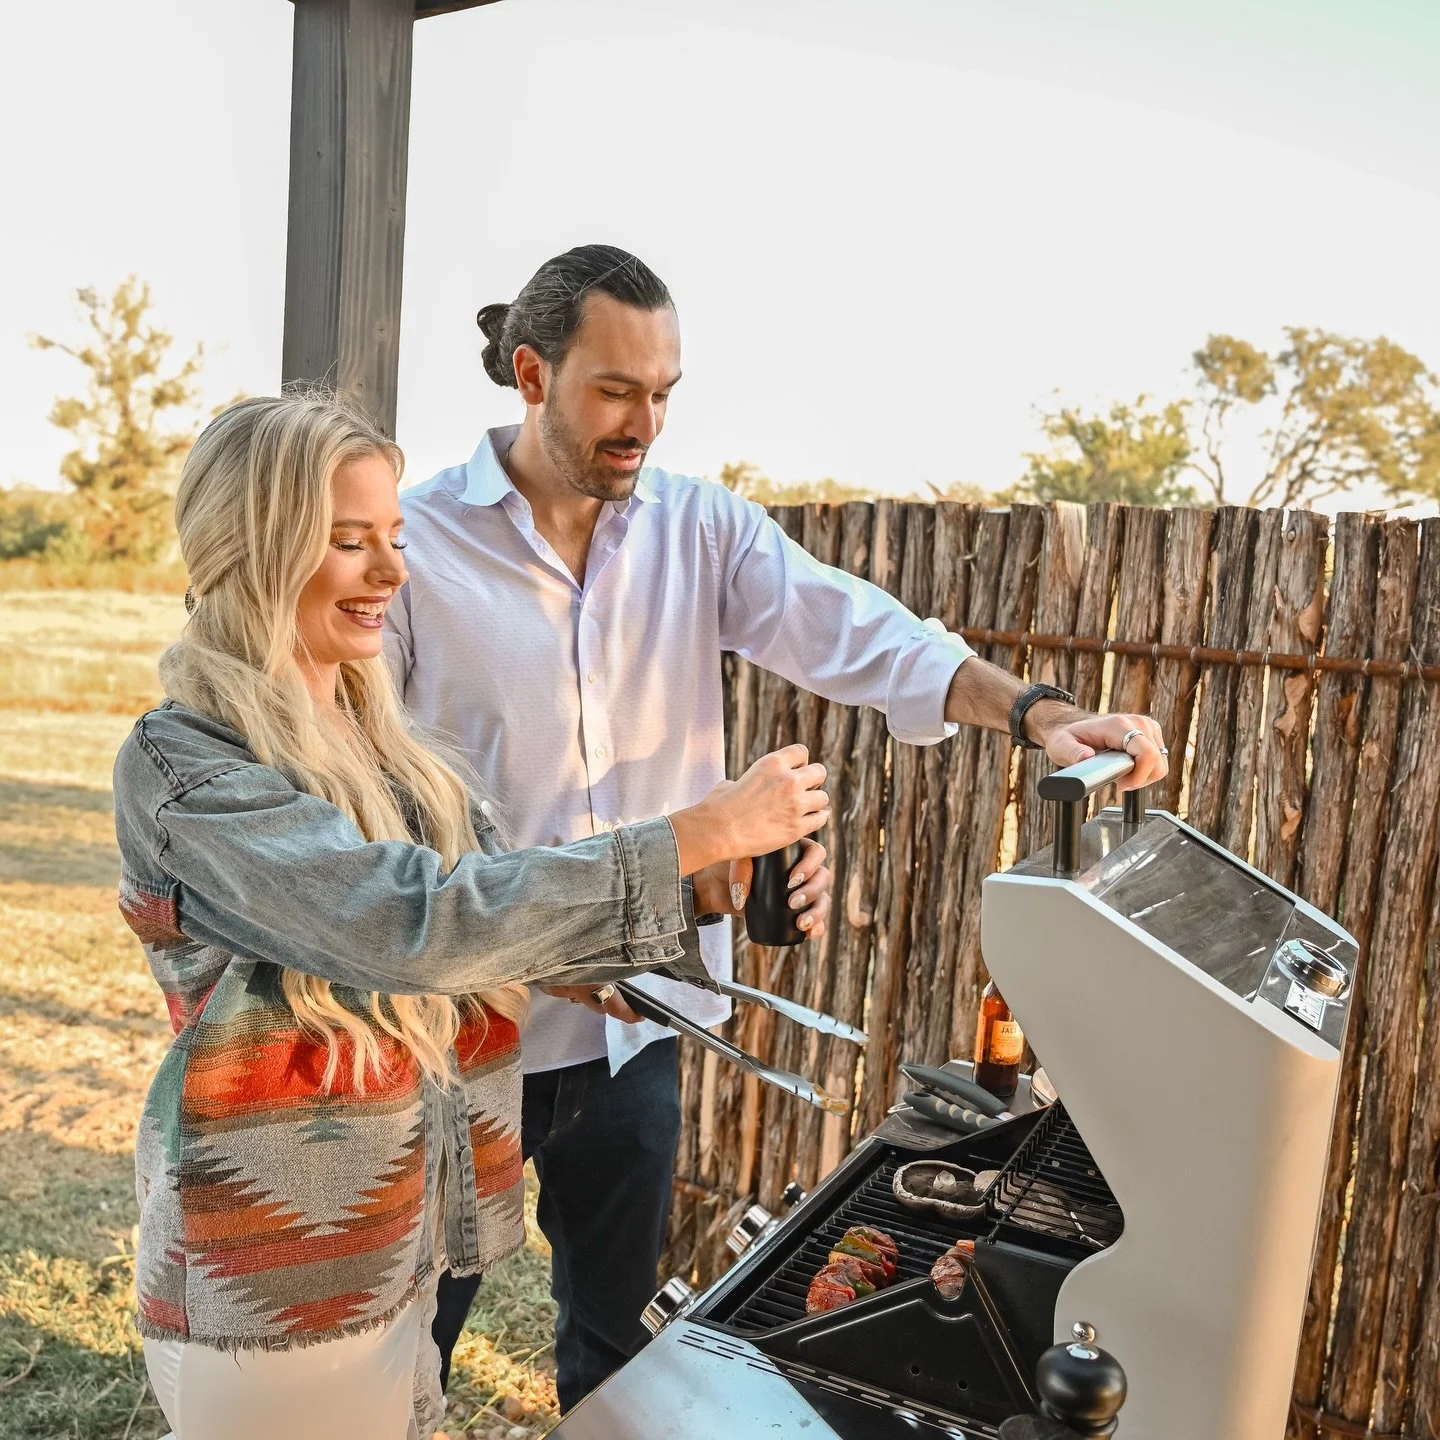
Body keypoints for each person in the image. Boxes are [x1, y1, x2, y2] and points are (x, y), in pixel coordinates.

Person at [383, 244, 1169, 1411]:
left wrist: (1041, 714)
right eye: (615, 391)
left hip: (638, 1038)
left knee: (615, 1352)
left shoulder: (700, 530)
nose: (643, 423)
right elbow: (376, 813)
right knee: (405, 1351)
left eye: (664, 394)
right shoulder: (415, 545)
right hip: (459, 1035)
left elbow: (870, 634)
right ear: (532, 375)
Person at [111, 392, 831, 1440]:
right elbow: (412, 923)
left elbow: (495, 902)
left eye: (395, 539)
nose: (394, 574)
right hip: (279, 1272)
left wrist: (701, 892)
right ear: (253, 547)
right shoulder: (186, 765)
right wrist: (690, 835)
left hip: (400, 1238)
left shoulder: (388, 744)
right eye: (349, 543)